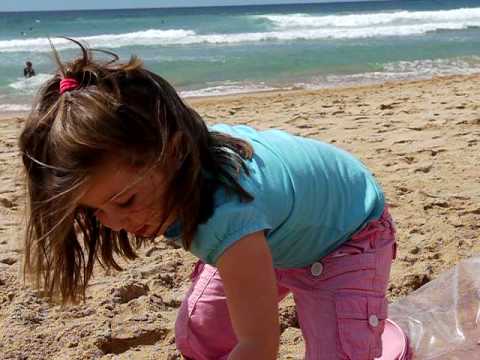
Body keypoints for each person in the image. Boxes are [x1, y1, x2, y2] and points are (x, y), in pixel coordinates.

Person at [19, 39, 400, 360]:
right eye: (95, 211)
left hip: (345, 237)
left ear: (174, 153)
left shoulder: (227, 216)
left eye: (125, 201)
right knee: (200, 329)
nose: (115, 223)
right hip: (271, 231)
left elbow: (260, 344)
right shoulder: (170, 159)